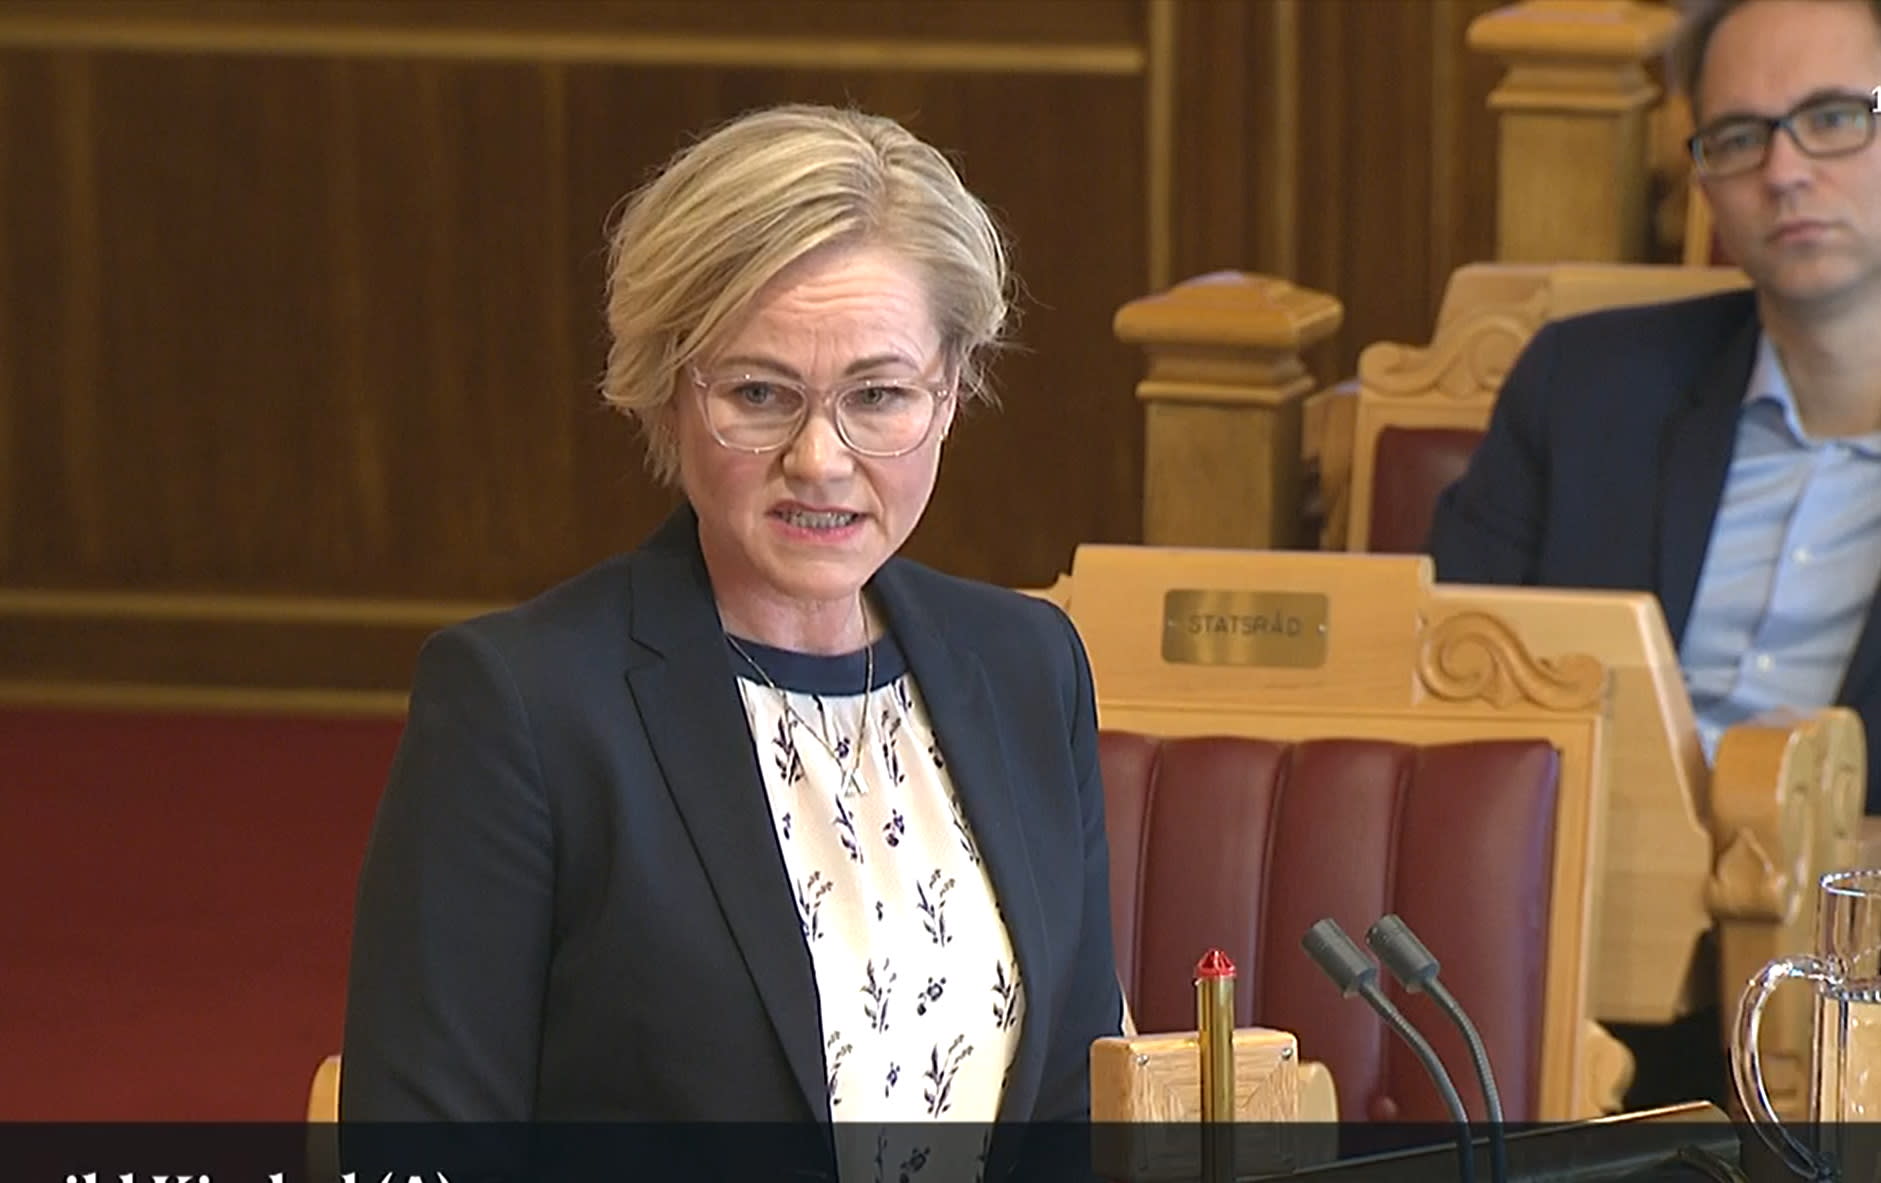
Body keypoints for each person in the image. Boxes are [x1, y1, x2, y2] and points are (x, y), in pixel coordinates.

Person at [340, 103, 1122, 1172]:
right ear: (666, 394)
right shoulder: (522, 706)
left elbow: (1074, 1107)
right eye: (759, 393)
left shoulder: (1031, 666)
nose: (821, 459)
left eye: (878, 395)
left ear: (949, 392)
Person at [1428, 0, 1881, 1107]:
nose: (1784, 171)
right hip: (1569, 978)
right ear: (1704, 179)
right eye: (1739, 136)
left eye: (1834, 118)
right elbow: (1436, 677)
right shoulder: (1586, 388)